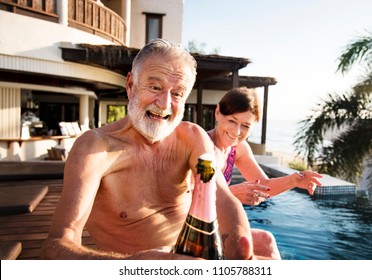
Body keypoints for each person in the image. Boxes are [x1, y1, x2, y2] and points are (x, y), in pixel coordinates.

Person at [40, 39, 259, 260]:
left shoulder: (192, 139)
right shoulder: (95, 149)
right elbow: (56, 246)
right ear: (130, 85)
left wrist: (238, 242)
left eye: (177, 94)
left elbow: (221, 197)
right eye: (155, 87)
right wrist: (137, 263)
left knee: (264, 247)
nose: (164, 104)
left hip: (194, 258)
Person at [207, 87, 323, 259]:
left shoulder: (238, 148)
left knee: (266, 240)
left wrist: (294, 180)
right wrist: (231, 195)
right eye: (232, 120)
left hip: (216, 226)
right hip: (188, 228)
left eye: (245, 125)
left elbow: (264, 187)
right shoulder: (201, 145)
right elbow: (184, 199)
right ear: (218, 112)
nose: (237, 131)